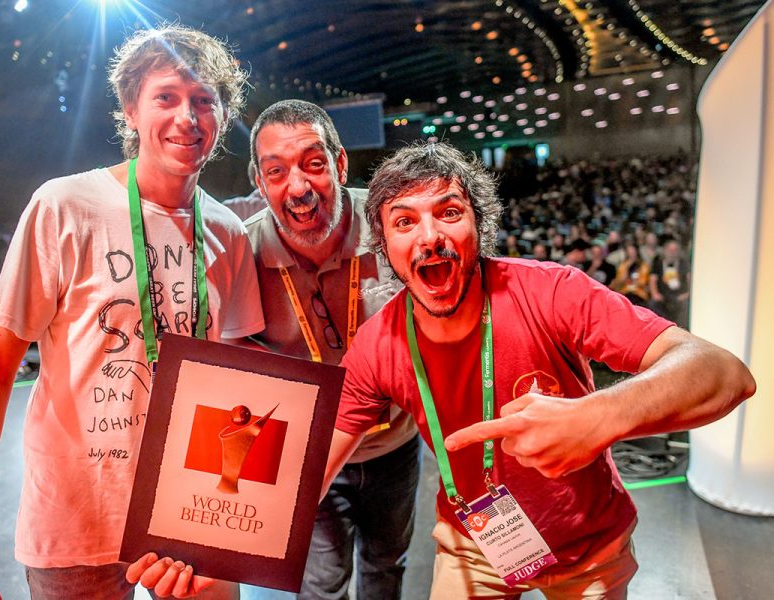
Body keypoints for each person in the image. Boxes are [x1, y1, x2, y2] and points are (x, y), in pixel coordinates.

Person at [325, 143, 755, 599]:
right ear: (385, 246)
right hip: (476, 543)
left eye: (449, 212)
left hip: (588, 546)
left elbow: (725, 374)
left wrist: (595, 417)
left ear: (479, 225)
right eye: (404, 221)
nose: (429, 236)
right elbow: (312, 464)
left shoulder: (551, 292)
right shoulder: (378, 345)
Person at [0, 24, 264, 600]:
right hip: (75, 524)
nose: (187, 117)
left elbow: (232, 384)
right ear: (130, 109)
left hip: (189, 522)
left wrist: (233, 525)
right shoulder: (65, 206)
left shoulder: (227, 232)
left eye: (204, 101)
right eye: (166, 96)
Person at [241, 99, 420, 600]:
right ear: (260, 181)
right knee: (321, 583)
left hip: (395, 445)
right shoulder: (243, 254)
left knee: (387, 567)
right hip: (309, 452)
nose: (297, 187)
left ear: (340, 164)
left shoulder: (395, 228)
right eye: (276, 172)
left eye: (313, 164)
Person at [649, 239, 690, 327]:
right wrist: (655, 294)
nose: (672, 252)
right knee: (653, 304)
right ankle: (662, 328)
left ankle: (680, 329)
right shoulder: (658, 263)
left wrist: (687, 294)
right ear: (665, 250)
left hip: (679, 295)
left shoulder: (683, 263)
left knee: (686, 305)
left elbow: (689, 279)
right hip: (663, 295)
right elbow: (653, 280)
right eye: (670, 250)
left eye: (675, 250)